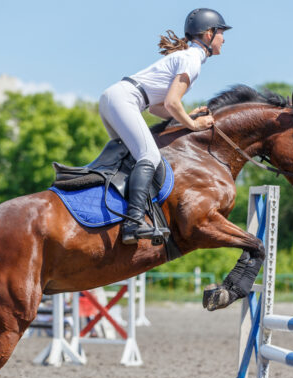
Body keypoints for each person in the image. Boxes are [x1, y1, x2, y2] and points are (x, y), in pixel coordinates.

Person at [99, 8, 231, 245]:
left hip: (116, 98)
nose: (224, 38)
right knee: (149, 156)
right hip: (125, 99)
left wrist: (185, 115)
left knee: (133, 158)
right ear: (209, 34)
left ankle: (117, 212)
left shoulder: (187, 57)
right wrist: (193, 124)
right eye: (221, 32)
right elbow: (171, 103)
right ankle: (133, 222)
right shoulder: (192, 59)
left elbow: (157, 108)